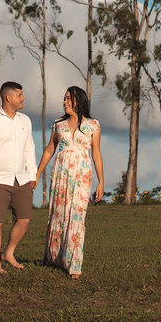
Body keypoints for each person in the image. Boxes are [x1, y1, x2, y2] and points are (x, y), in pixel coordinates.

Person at [35, 85, 104, 279]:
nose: (64, 102)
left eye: (68, 98)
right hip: (60, 172)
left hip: (81, 176)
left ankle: (73, 264)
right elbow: (50, 150)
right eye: (64, 98)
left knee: (76, 216)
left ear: (78, 101)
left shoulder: (93, 125)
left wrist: (101, 182)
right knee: (58, 213)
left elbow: (96, 154)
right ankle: (53, 258)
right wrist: (37, 173)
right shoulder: (59, 124)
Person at [0, 81, 37, 274]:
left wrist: (32, 174)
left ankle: (8, 253)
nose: (23, 98)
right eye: (20, 95)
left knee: (24, 219)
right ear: (8, 98)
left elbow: (29, 147)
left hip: (21, 178)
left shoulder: (25, 121)